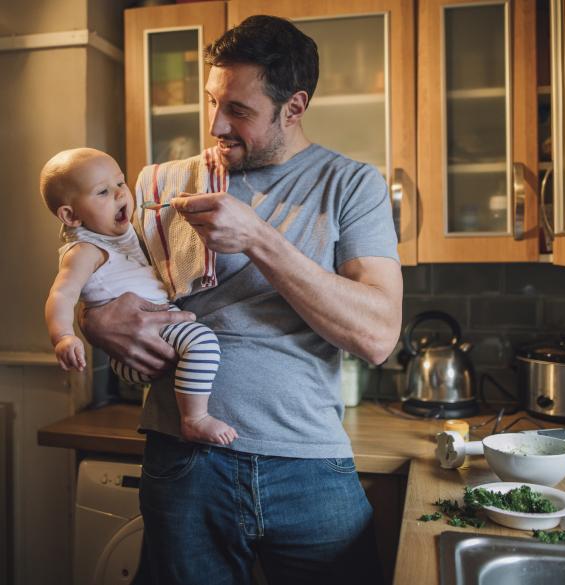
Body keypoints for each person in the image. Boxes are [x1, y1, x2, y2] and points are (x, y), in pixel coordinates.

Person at [80, 14, 402, 585]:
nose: (216, 125)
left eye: (240, 111)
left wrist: (258, 238)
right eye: (212, 102)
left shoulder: (351, 185)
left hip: (308, 462)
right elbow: (92, 270)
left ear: (294, 107)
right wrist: (93, 319)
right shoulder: (163, 185)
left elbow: (378, 336)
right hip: (184, 461)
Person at [40, 148, 238, 446]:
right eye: (103, 192)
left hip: (145, 341)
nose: (120, 194)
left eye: (120, 183)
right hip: (148, 333)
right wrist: (63, 336)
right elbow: (62, 293)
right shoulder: (85, 251)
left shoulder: (120, 234)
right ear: (71, 215)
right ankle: (194, 418)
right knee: (203, 342)